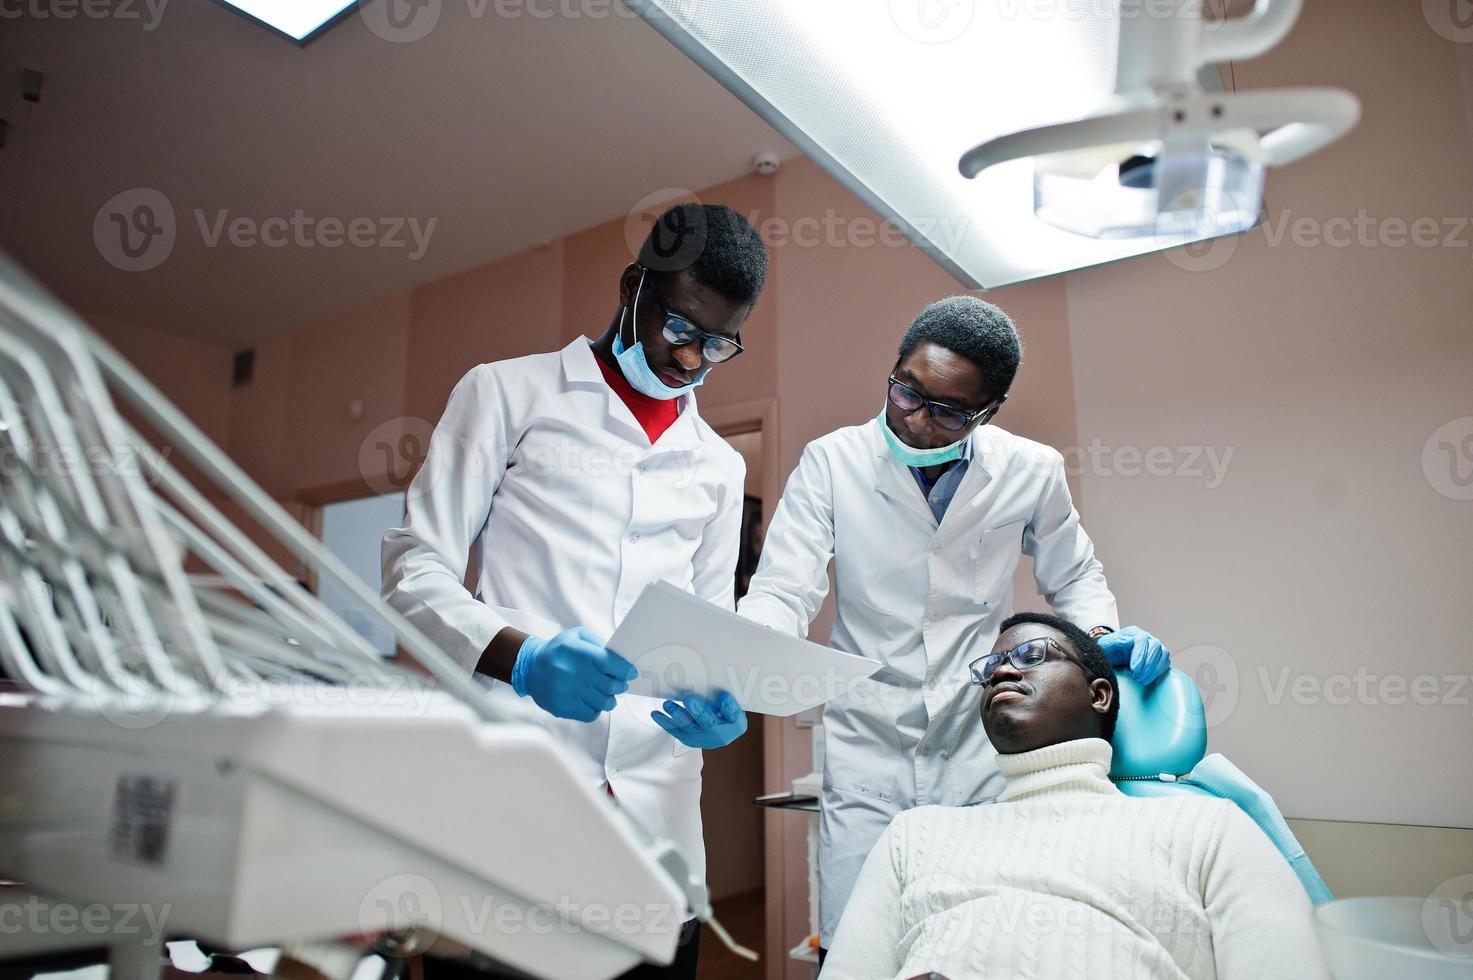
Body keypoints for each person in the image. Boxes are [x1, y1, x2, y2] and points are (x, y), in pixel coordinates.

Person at [381, 203, 766, 979]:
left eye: (717, 344)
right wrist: (521, 659)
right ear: (633, 287)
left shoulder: (719, 467)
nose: (689, 360)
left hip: (655, 817)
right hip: (517, 795)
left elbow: (709, 624)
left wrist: (722, 703)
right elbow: (413, 568)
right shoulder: (507, 394)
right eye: (678, 327)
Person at [737, 296, 1173, 954]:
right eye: (905, 391)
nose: (914, 419)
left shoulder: (1029, 470)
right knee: (859, 942)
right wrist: (743, 655)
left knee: (971, 937)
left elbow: (1075, 575)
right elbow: (782, 587)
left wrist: (1103, 641)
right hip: (867, 742)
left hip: (974, 748)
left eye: (946, 411)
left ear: (987, 411)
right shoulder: (832, 461)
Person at [822, 612, 1329, 979]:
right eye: (992, 665)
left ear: (1099, 694)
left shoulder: (1206, 829)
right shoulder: (916, 835)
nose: (1000, 671)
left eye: (1031, 655)